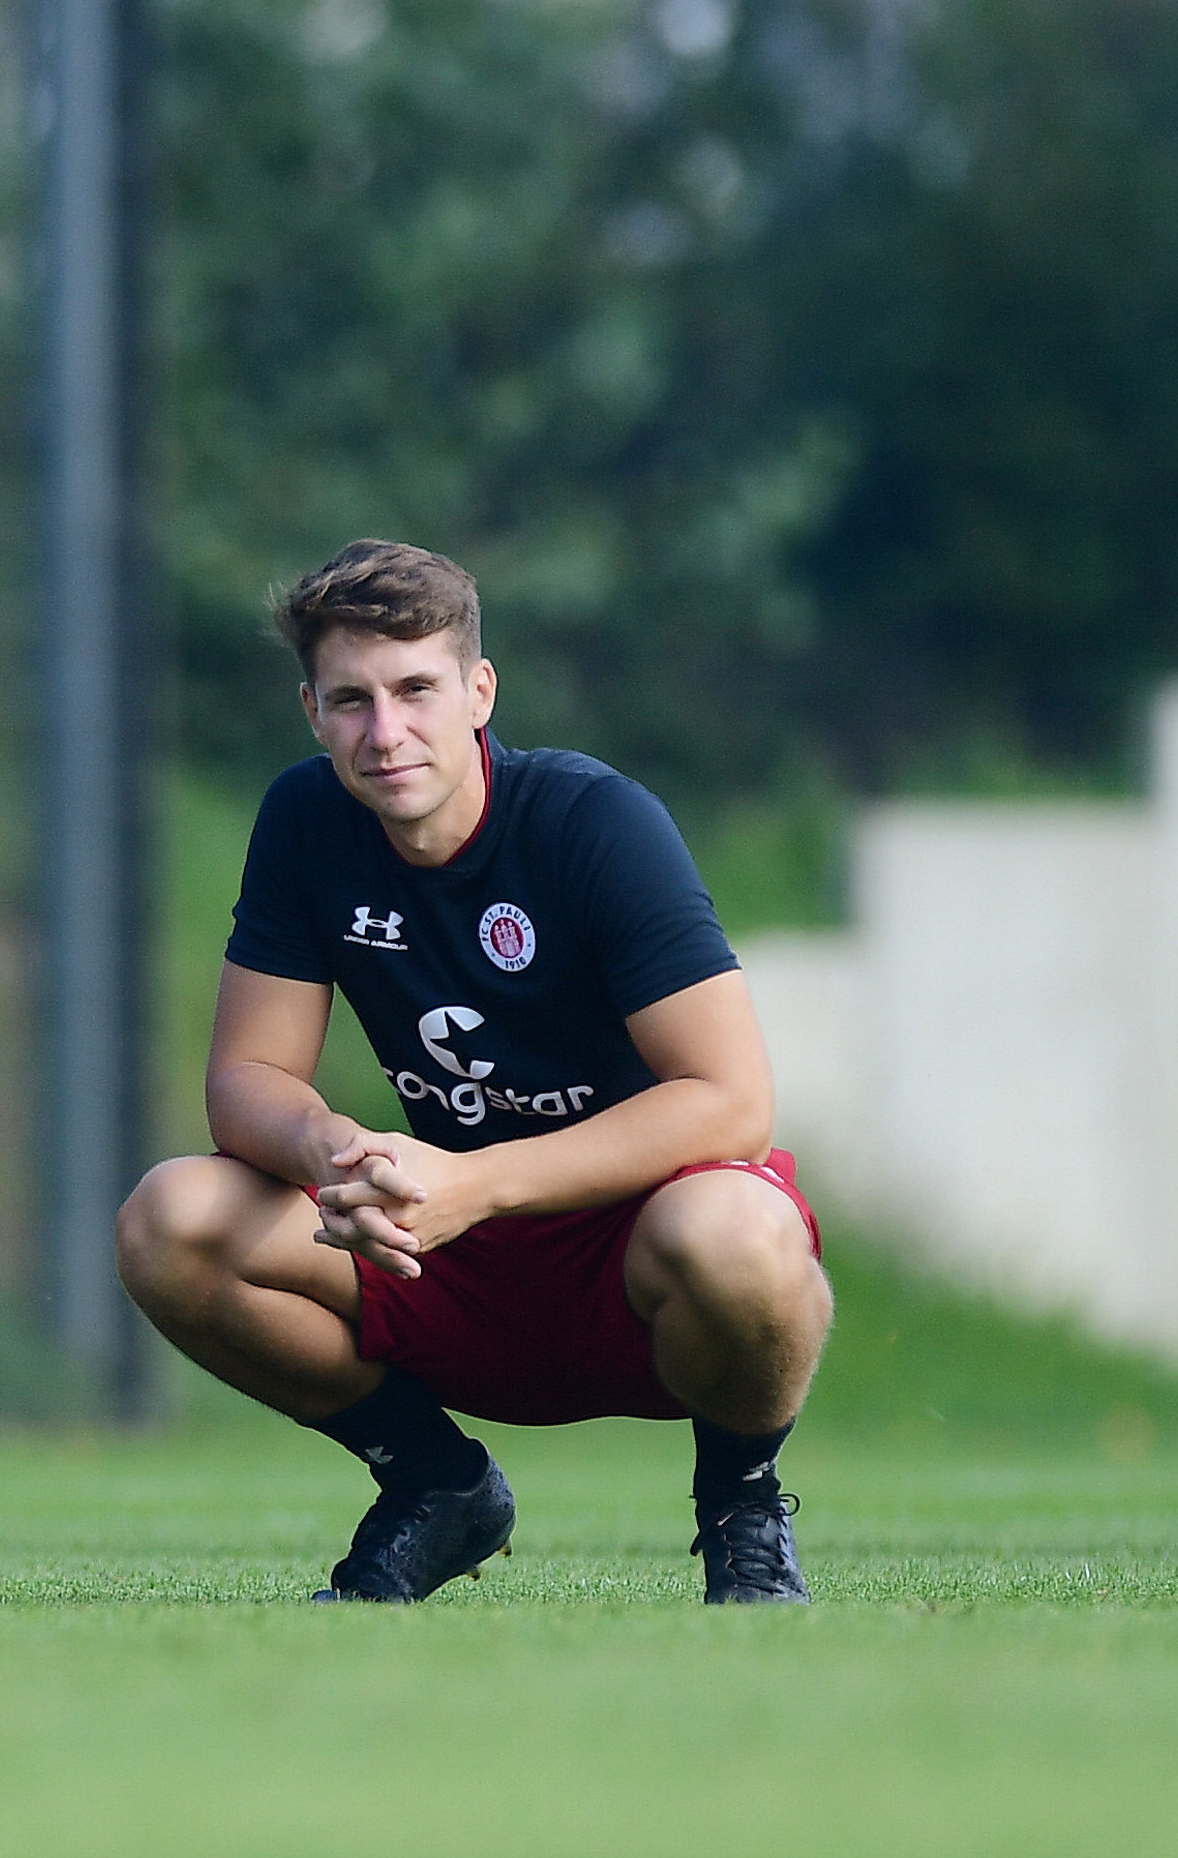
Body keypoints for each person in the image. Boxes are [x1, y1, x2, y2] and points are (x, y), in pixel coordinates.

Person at [116, 539, 830, 1604]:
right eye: (350, 699)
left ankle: (742, 1509)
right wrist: (340, 1153)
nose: (386, 731)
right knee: (169, 1220)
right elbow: (249, 1077)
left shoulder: (595, 822)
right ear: (310, 710)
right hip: (430, 1246)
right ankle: (436, 1484)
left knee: (741, 1235)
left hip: (632, 1245)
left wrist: (476, 1181)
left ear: (480, 691)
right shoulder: (306, 820)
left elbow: (732, 1101)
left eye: (416, 690)